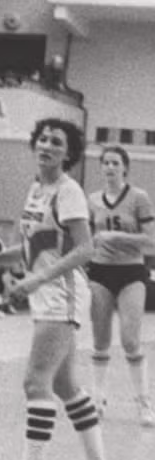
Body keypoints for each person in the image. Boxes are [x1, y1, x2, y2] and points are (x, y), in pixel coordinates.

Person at [0, 118, 112, 460]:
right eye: (43, 139)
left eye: (56, 142)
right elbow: (35, 246)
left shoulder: (69, 192)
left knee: (36, 382)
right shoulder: (37, 190)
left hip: (61, 295)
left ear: (68, 153)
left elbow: (84, 249)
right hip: (47, 293)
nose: (47, 145)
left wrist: (37, 280)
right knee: (65, 386)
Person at [85, 146, 155, 426]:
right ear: (101, 167)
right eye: (106, 163)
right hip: (100, 271)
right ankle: (98, 399)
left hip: (131, 272)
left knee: (130, 340)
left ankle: (144, 402)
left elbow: (152, 240)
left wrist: (118, 237)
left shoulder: (139, 197)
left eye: (115, 163)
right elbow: (86, 237)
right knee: (100, 340)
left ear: (125, 167)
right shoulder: (92, 200)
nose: (110, 167)